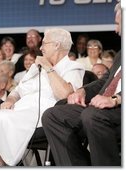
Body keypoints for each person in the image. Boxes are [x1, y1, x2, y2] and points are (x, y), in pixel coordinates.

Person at [0, 28, 85, 166]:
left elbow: (66, 95)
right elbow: (17, 90)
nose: (41, 47)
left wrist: (48, 67)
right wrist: (10, 100)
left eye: (44, 43)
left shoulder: (73, 67)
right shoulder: (36, 67)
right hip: (20, 109)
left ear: (56, 45)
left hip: (44, 115)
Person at [42, 2, 121, 166]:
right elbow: (104, 81)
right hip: (102, 107)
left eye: (118, 24)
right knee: (52, 115)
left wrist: (115, 99)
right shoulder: (122, 53)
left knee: (92, 116)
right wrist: (82, 91)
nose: (116, 29)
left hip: (118, 107)